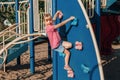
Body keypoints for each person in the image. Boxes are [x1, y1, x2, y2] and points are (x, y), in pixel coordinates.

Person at [44, 10, 75, 77]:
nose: (49, 22)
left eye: (49, 20)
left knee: (70, 45)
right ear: (45, 22)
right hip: (56, 45)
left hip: (60, 42)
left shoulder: (51, 23)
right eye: (47, 21)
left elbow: (54, 19)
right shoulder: (49, 27)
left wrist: (57, 13)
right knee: (68, 53)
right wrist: (70, 19)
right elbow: (61, 24)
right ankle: (66, 65)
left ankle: (62, 51)